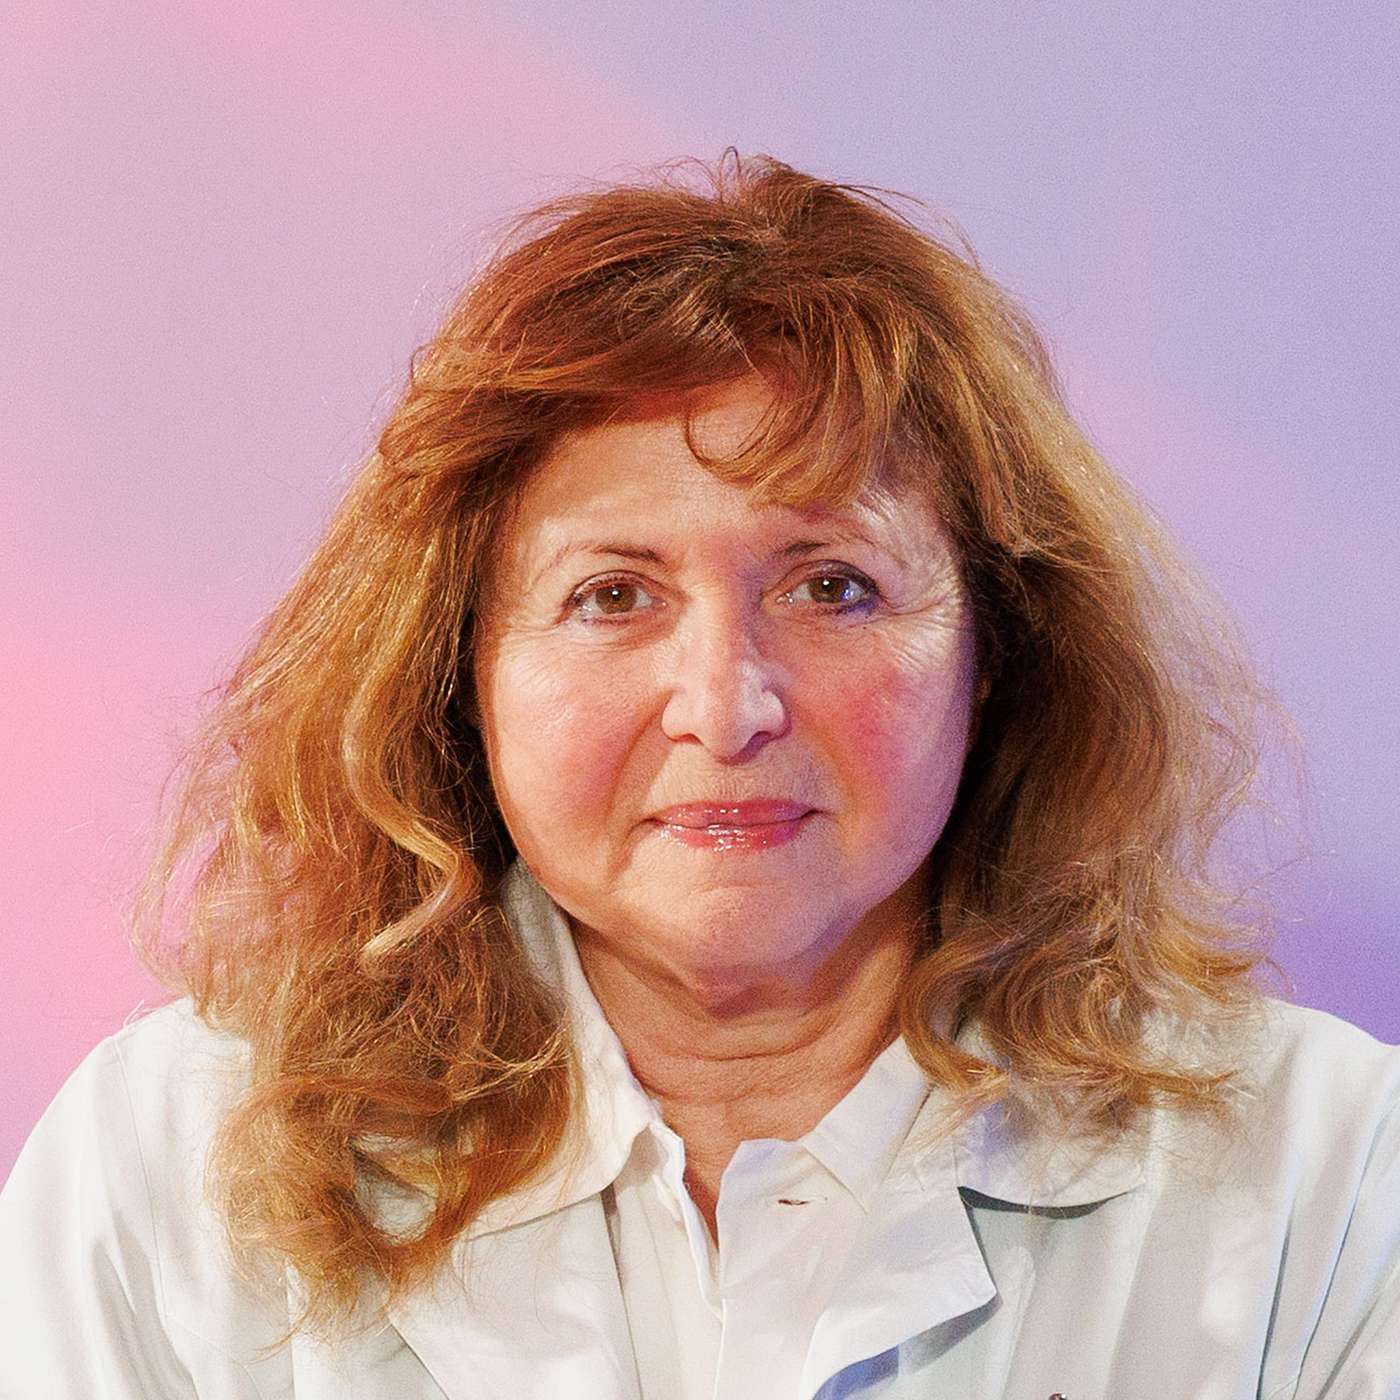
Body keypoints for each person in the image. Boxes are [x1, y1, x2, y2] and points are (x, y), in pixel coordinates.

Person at [1, 152, 1396, 1400]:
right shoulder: (169, 1163)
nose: (726, 709)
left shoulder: (1330, 1180)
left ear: (995, 652)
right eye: (612, 595)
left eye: (833, 586)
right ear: (457, 674)